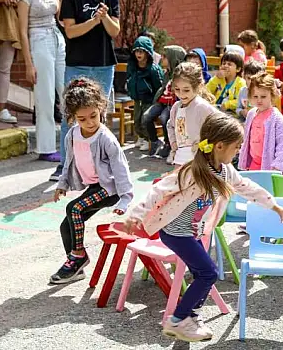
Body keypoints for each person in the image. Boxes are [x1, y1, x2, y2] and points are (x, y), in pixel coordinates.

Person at [124, 113, 283, 342]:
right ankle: (177, 320)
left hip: (193, 232)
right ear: (219, 146)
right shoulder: (193, 171)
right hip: (177, 233)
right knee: (208, 273)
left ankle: (190, 316)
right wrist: (134, 215)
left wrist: (274, 205)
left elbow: (246, 187)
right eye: (236, 147)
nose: (238, 151)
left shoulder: (225, 171)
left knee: (202, 273)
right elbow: (159, 191)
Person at [52, 78, 133, 284]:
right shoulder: (72, 135)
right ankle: (76, 263)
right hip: (95, 187)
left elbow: (121, 169)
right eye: (82, 119)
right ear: (73, 118)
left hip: (109, 188)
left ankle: (78, 256)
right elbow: (68, 161)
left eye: (93, 116)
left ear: (101, 108)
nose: (89, 123)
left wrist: (125, 199)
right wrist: (62, 183)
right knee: (66, 226)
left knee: (74, 208)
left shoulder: (106, 139)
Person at [53, 0, 120, 181]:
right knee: (70, 116)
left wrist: (104, 18)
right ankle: (65, 166)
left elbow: (114, 31)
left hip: (103, 64)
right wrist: (93, 20)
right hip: (78, 64)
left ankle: (97, 164)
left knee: (98, 114)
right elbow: (70, 31)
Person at [18, 0, 66, 162]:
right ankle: (45, 147)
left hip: (56, 37)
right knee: (45, 95)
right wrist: (28, 63)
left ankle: (72, 140)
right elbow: (22, 31)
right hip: (38, 41)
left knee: (66, 88)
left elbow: (59, 16)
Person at [237, 72, 283, 172]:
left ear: (272, 95)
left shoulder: (276, 118)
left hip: (269, 167)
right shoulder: (251, 114)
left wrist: (278, 167)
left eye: (263, 97)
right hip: (253, 164)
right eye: (255, 96)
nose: (259, 100)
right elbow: (246, 138)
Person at [168, 62, 218, 166]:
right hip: (180, 155)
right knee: (180, 180)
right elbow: (170, 125)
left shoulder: (202, 107)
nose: (181, 94)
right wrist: (173, 143)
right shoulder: (176, 107)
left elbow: (220, 126)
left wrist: (203, 145)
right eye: (177, 89)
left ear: (198, 86)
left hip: (200, 158)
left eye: (186, 90)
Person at [144, 45, 185, 158]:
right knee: (146, 116)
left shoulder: (180, 74)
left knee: (164, 118)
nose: (162, 58)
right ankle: (154, 141)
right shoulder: (166, 73)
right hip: (161, 102)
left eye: (165, 56)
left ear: (172, 58)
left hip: (171, 104)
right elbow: (162, 88)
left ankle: (168, 143)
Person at [126, 35, 164, 152]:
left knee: (144, 119)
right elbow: (130, 78)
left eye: (142, 51)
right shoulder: (133, 67)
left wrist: (156, 100)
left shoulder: (153, 69)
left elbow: (159, 86)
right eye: (137, 51)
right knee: (136, 120)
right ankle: (141, 137)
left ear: (148, 53)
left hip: (149, 99)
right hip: (137, 98)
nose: (139, 54)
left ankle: (149, 139)